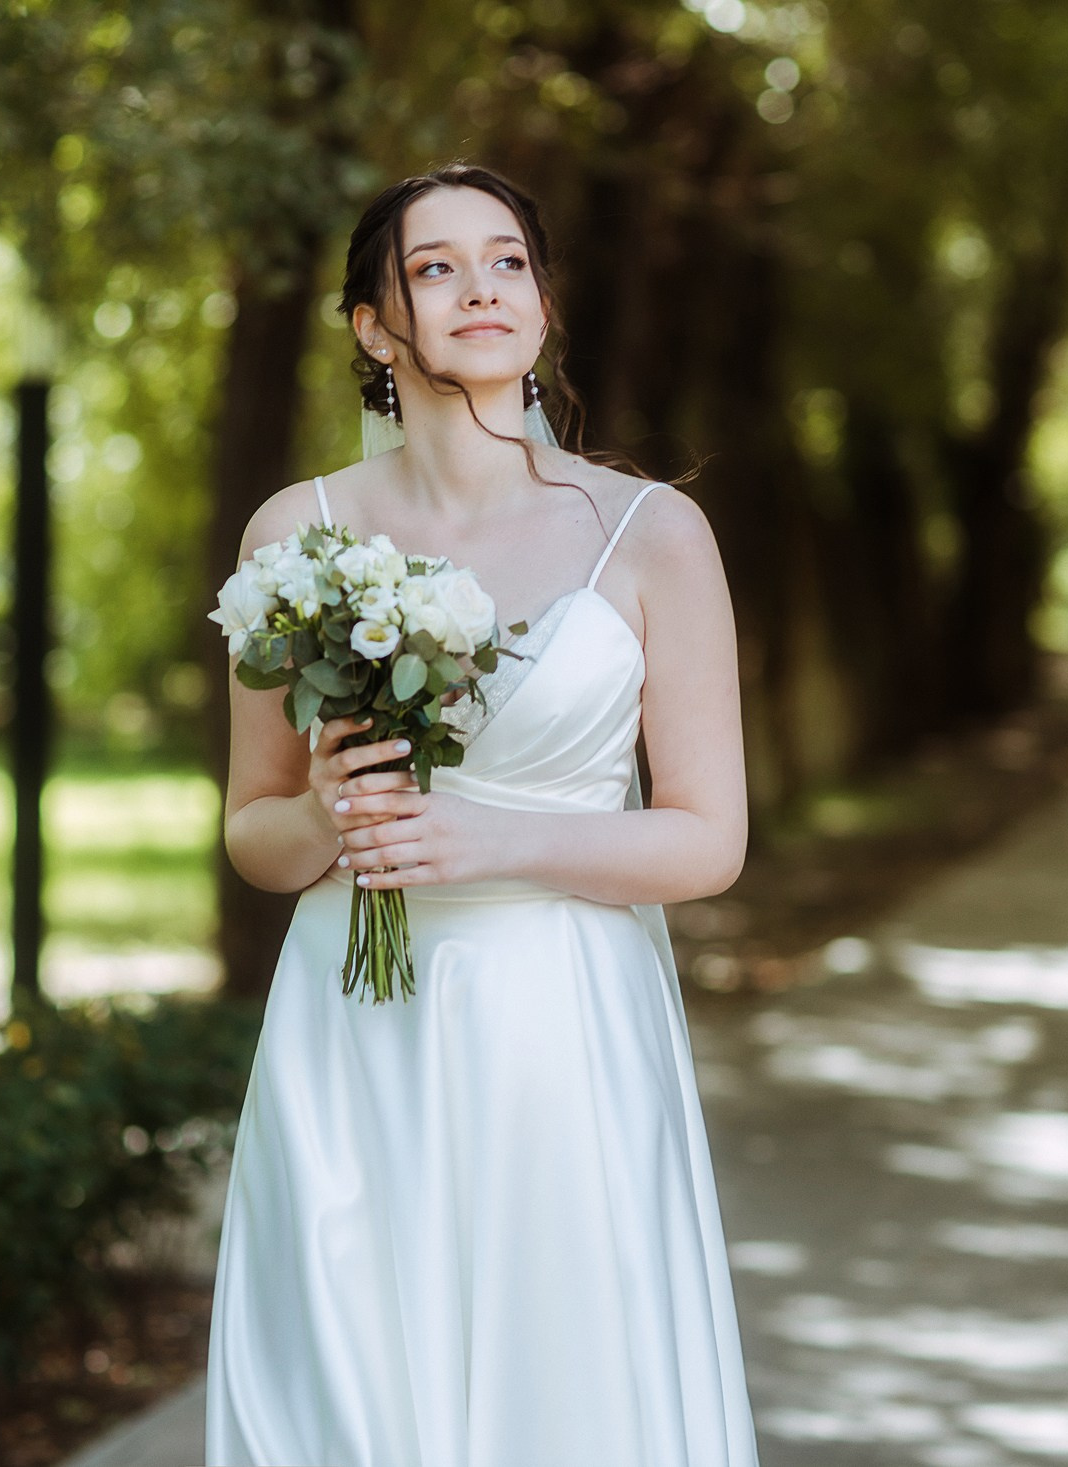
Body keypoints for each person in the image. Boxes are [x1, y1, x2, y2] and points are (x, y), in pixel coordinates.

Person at [203, 162, 761, 1467]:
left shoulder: (652, 534)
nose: (480, 288)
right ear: (374, 325)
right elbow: (254, 831)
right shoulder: (299, 533)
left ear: (545, 304)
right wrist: (338, 816)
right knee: (342, 1388)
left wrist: (490, 842)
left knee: (559, 1393)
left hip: (559, 1026)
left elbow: (707, 840)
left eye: (507, 261)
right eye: (436, 267)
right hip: (353, 1028)